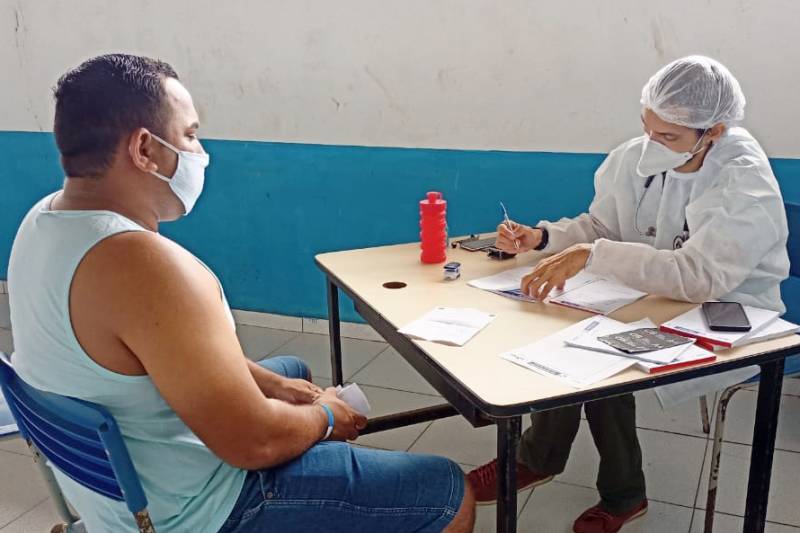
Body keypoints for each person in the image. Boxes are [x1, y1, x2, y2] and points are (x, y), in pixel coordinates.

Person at [7, 54, 475, 533]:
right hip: (197, 512)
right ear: (145, 148)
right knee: (447, 492)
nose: (199, 152)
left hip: (119, 480)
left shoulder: (45, 221)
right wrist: (326, 418)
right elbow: (254, 444)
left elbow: (161, 348)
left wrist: (276, 388)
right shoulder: (147, 266)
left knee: (291, 373)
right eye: (189, 135)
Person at [467, 55, 789, 533]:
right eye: (647, 128)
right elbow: (603, 226)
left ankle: (622, 494)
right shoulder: (639, 156)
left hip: (726, 309)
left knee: (606, 359)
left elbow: (700, 276)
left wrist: (593, 255)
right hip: (651, 293)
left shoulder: (743, 179)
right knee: (563, 330)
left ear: (715, 131)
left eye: (669, 137)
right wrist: (544, 238)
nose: (652, 144)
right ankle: (539, 456)